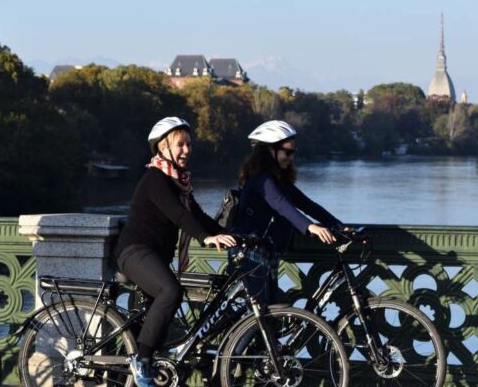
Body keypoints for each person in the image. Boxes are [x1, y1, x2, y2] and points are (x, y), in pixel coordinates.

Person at [113, 117, 236, 387]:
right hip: (135, 251)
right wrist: (205, 238)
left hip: (154, 256)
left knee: (145, 319)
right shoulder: (155, 179)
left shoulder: (179, 183)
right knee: (171, 291)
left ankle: (120, 375)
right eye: (180, 144)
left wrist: (231, 236)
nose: (186, 150)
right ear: (162, 148)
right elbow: (179, 215)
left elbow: (197, 215)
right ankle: (142, 361)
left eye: (189, 144)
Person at [230, 120, 344, 305]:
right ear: (269, 151)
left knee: (269, 310)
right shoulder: (262, 180)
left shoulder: (279, 180)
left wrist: (339, 225)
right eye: (288, 152)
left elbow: (308, 205)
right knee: (258, 315)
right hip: (249, 250)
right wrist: (310, 227)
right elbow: (282, 205)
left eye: (293, 153)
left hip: (266, 249)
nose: (291, 157)